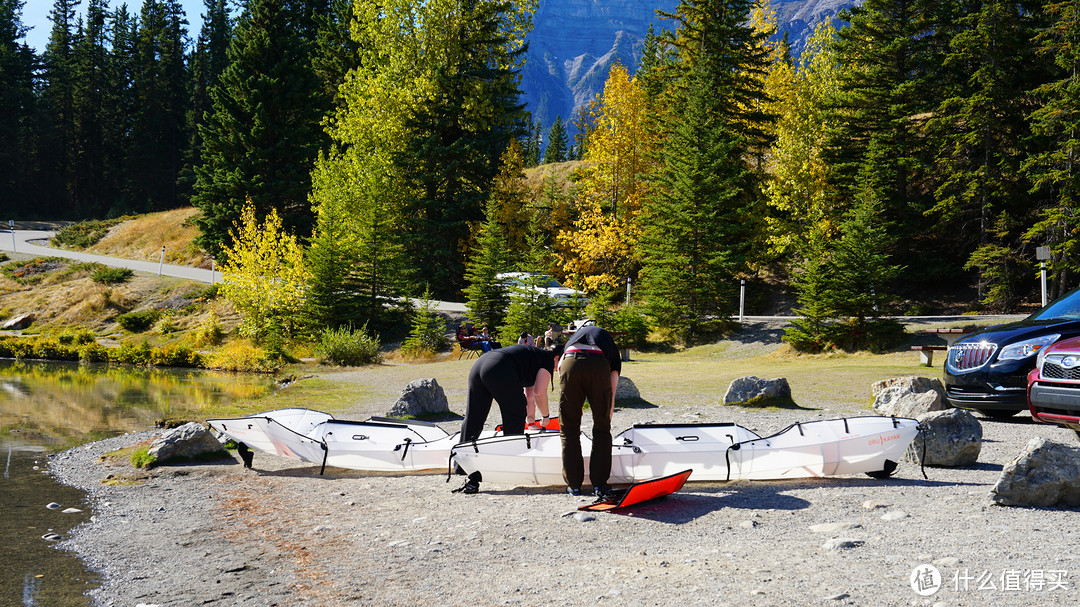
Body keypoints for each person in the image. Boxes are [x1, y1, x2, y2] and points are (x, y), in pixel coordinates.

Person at [455, 344, 555, 493]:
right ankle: (511, 463)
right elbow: (540, 393)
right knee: (514, 413)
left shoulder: (533, 357)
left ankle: (462, 464)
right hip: (499, 366)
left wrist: (530, 420)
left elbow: (529, 395)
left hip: (481, 363)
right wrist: (546, 417)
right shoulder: (548, 359)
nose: (557, 370)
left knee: (474, 416)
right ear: (558, 357)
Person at [558, 325, 621, 498]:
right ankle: (599, 485)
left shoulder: (571, 342)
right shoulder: (608, 343)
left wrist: (573, 405)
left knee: (569, 428)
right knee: (602, 428)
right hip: (598, 362)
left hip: (569, 361)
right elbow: (612, 382)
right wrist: (608, 410)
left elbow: (560, 369)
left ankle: (574, 485)